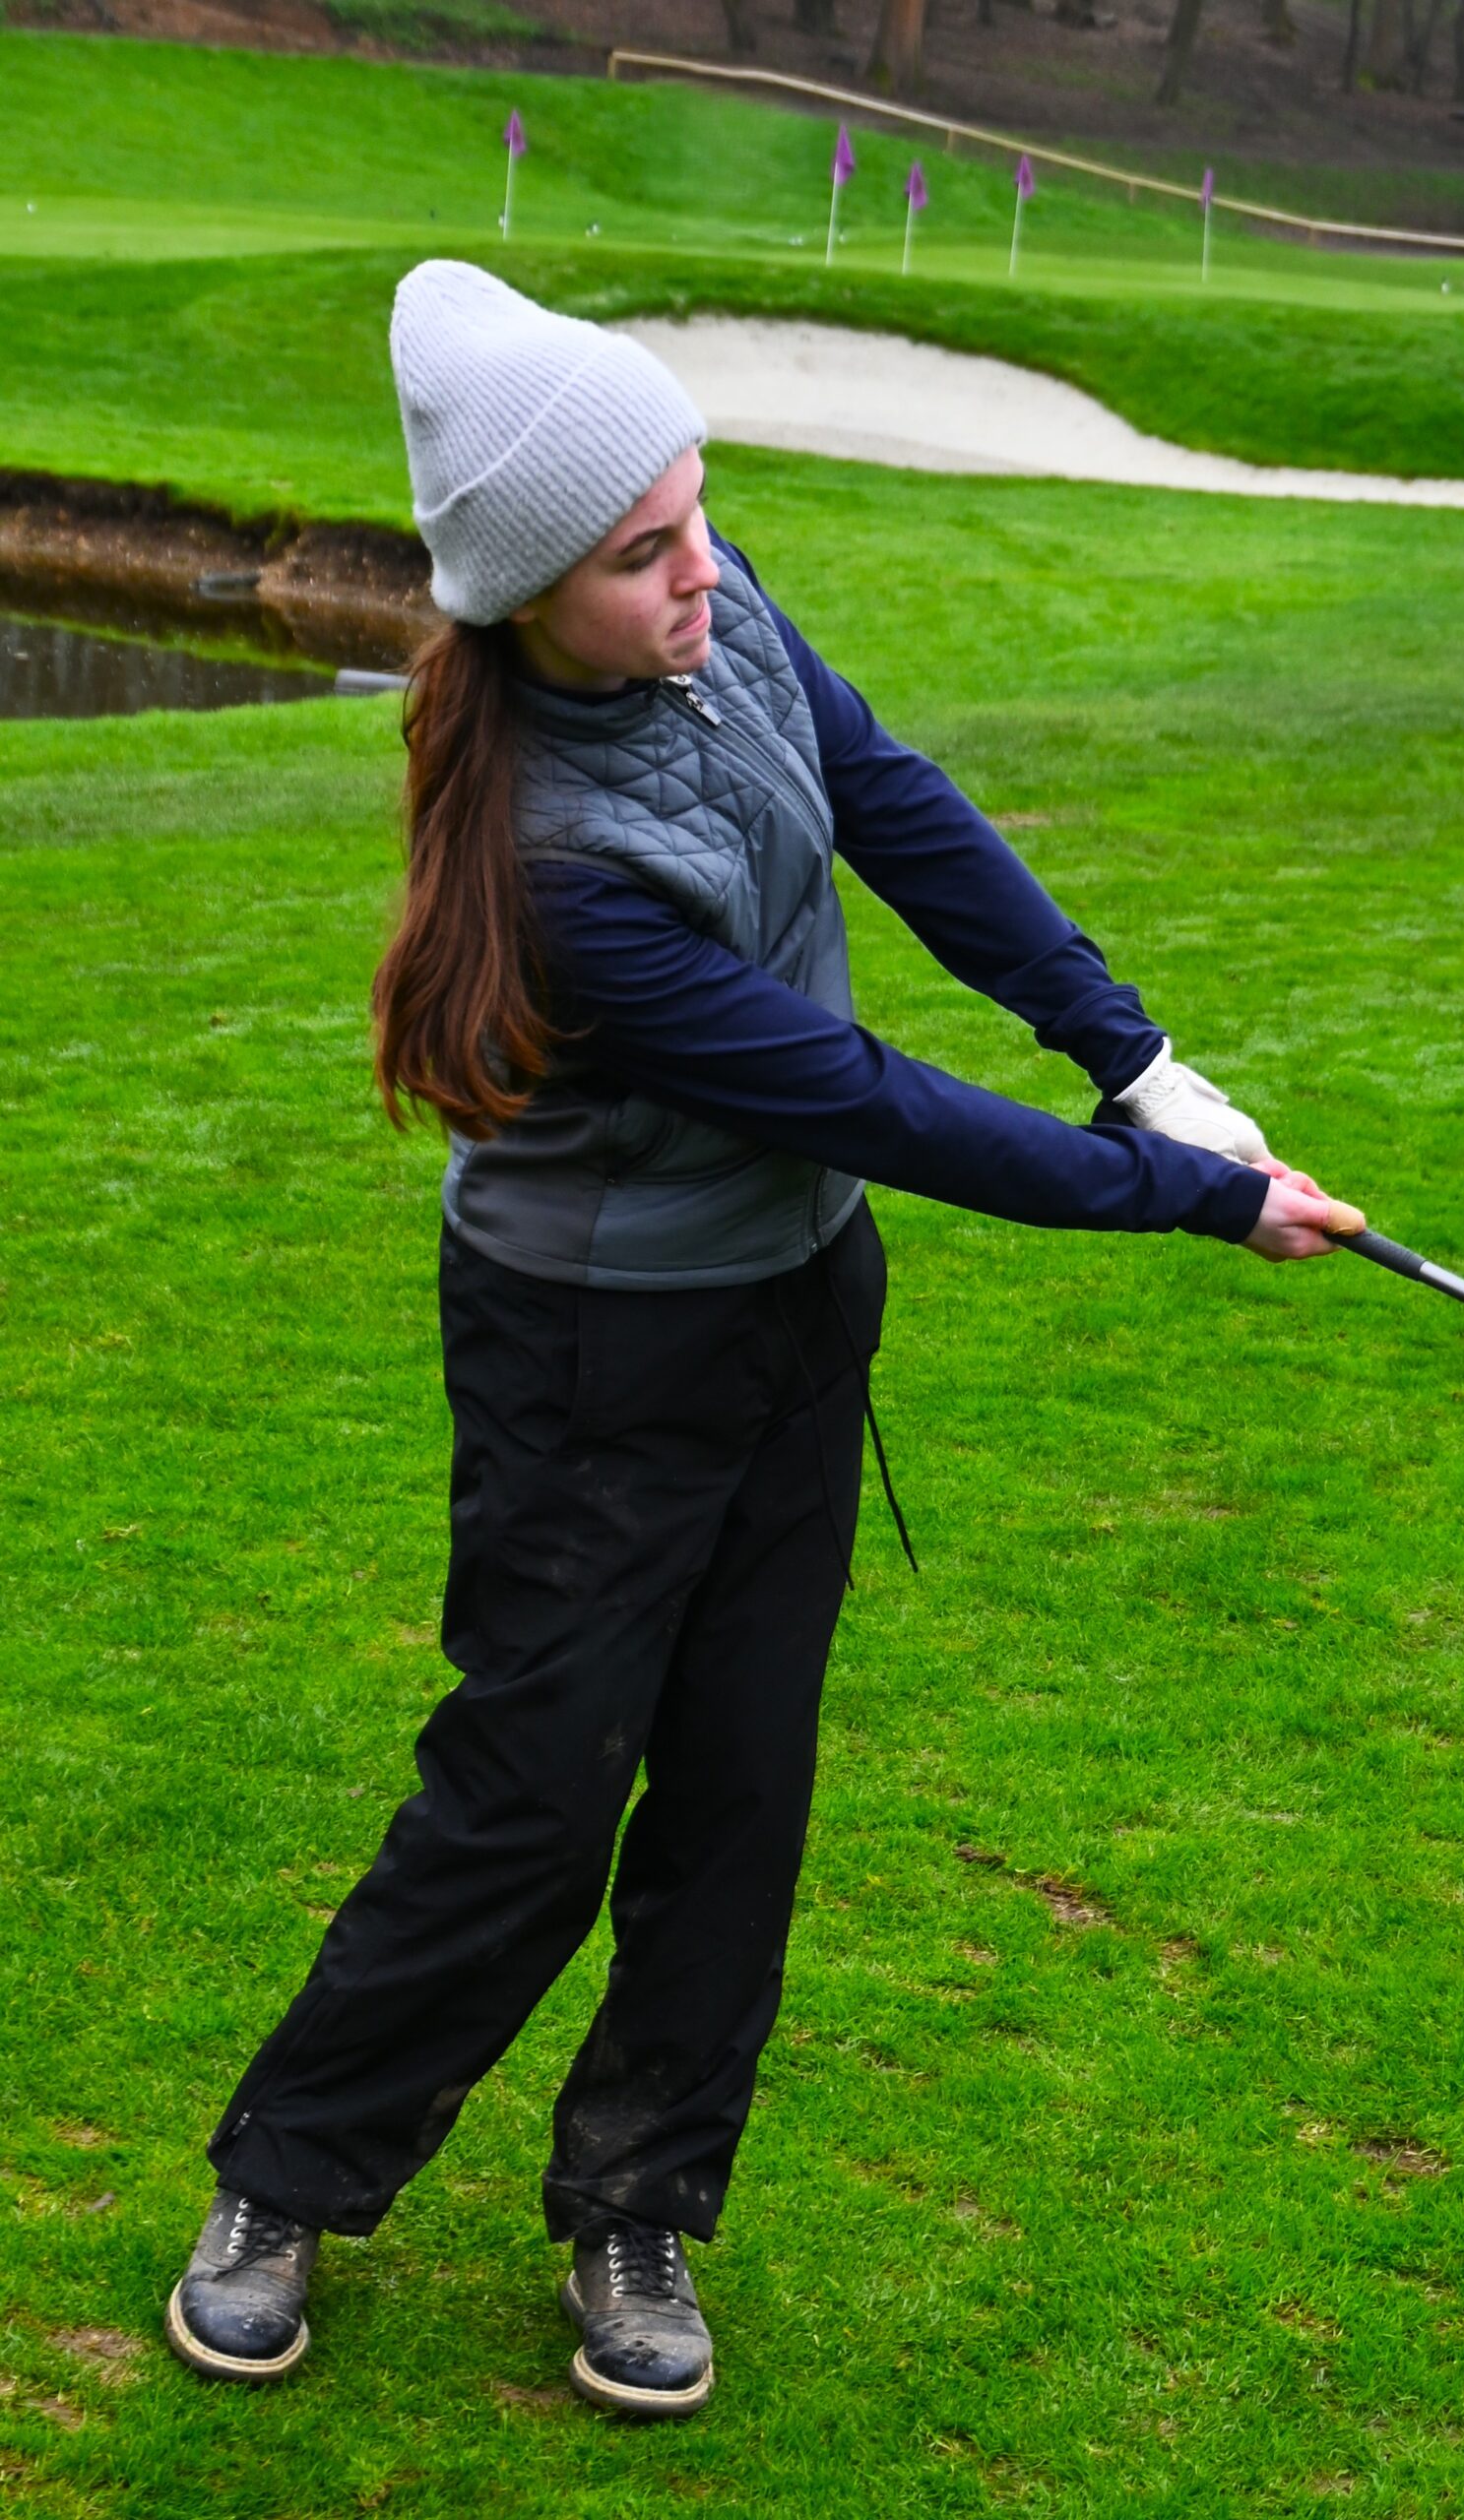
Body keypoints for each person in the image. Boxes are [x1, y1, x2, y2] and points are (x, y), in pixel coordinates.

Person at [163, 262, 1347, 2419]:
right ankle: (288, 2175)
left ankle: (639, 2203)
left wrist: (1134, 1052)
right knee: (533, 1796)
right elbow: (860, 1098)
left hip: (795, 1307)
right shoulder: (561, 862)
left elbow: (890, 798)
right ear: (533, 601)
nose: (698, 569)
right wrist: (1195, 1194)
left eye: (696, 513)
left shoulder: (709, 608)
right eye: (644, 554)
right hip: (592, 1354)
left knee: (738, 1784)